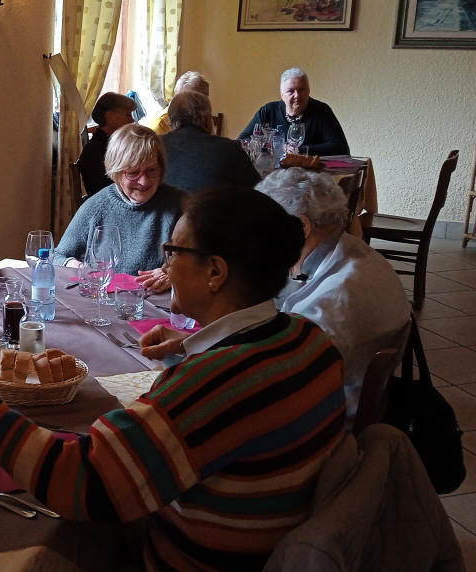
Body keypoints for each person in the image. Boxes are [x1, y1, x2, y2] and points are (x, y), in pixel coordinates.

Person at [0, 187, 346, 572]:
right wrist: (190, 345)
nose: (165, 265)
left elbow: (81, 483)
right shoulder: (309, 340)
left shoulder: (214, 385)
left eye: (173, 252)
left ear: (216, 272)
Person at [256, 168, 411, 424]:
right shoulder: (355, 251)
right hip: (346, 391)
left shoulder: (333, 299)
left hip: (326, 418)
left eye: (265, 230)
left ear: (302, 226)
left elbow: (280, 379)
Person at [54, 125, 182, 292]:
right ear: (116, 171)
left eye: (152, 170)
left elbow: (205, 259)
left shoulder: (180, 204)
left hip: (158, 301)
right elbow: (57, 256)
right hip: (106, 300)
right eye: (133, 173)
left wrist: (174, 273)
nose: (144, 181)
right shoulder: (97, 206)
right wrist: (81, 267)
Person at [162, 90, 259, 192]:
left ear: (170, 119)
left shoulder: (156, 145)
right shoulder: (229, 148)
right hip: (208, 202)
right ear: (207, 118)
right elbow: (258, 189)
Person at [238, 67, 349, 155]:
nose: (297, 95)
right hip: (273, 170)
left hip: (311, 172)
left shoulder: (321, 110)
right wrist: (277, 147)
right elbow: (242, 141)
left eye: (301, 89)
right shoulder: (268, 111)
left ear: (309, 91)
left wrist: (301, 150)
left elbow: (340, 148)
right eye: (291, 91)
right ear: (282, 95)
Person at [76, 92, 138, 197]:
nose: (132, 120)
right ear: (110, 116)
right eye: (128, 115)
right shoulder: (95, 150)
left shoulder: (113, 144)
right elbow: (106, 190)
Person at [140, 70, 211, 136]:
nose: (196, 105)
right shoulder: (158, 126)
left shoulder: (203, 118)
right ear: (175, 97)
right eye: (187, 99)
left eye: (198, 101)